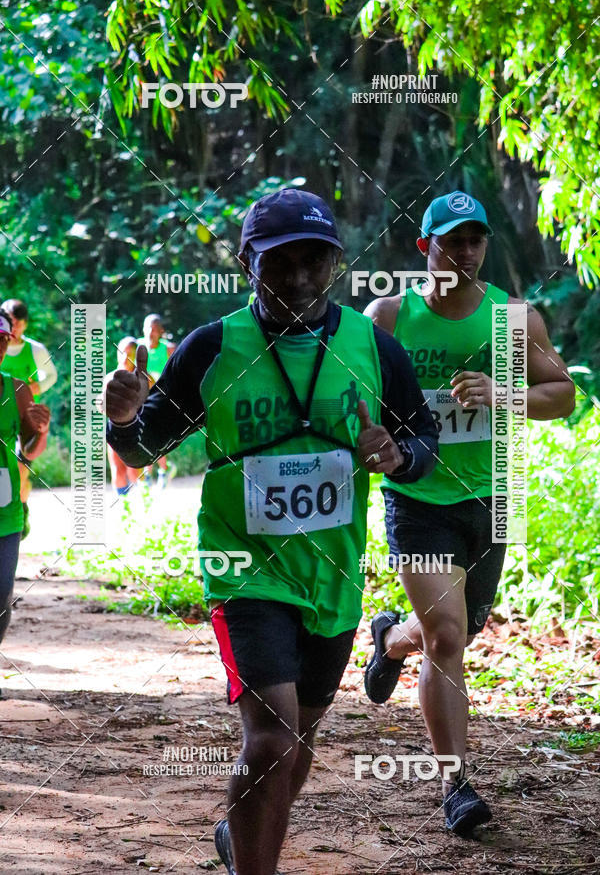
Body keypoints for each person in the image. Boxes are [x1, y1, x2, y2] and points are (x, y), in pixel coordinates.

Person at [105, 188, 439, 875]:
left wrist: (398, 454)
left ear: (336, 263)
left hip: (333, 576)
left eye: (314, 261)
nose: (297, 278)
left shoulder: (371, 347)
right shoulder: (212, 347)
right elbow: (144, 448)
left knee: (300, 739)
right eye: (279, 263)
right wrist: (122, 421)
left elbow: (423, 440)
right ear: (247, 265)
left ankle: (243, 834)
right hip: (243, 568)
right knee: (272, 742)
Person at [362, 190, 576, 835]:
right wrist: (378, 440)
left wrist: (502, 390)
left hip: (491, 499)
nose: (466, 252)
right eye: (452, 240)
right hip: (417, 498)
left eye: (476, 240)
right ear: (425, 246)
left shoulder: (514, 320)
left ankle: (390, 639)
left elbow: (563, 394)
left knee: (449, 631)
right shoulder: (389, 317)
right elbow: (357, 395)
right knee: (450, 635)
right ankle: (455, 784)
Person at [0, 308, 51, 653]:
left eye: (4, 341)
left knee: (2, 597)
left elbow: (29, 452)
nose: (0, 348)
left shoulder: (17, 389)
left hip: (5, 511)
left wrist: (41, 431)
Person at [0, 299, 57, 536]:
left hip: (22, 419)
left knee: (19, 471)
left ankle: (18, 511)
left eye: (17, 323)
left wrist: (35, 389)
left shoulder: (34, 349)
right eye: (10, 321)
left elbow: (51, 375)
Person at [138, 314, 176, 488]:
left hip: (161, 399)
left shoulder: (168, 349)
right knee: (144, 435)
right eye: (147, 328)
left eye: (154, 329)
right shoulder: (137, 346)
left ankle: (163, 470)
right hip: (141, 399)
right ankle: (149, 475)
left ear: (160, 332)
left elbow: (176, 374)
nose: (150, 332)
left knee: (156, 436)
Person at [106, 337, 141, 496]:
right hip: (114, 428)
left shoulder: (143, 378)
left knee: (134, 470)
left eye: (130, 353)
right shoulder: (110, 378)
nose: (126, 357)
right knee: (117, 469)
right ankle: (123, 506)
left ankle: (141, 503)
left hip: (137, 429)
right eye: (123, 353)